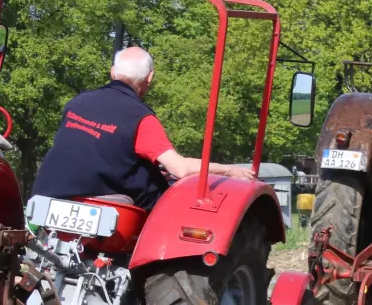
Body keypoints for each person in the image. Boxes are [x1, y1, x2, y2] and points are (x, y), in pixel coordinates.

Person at [32, 47, 255, 210]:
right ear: (149, 78)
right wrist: (231, 170)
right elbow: (180, 169)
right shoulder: (141, 118)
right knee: (166, 200)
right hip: (109, 203)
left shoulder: (77, 102)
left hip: (49, 192)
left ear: (112, 72)